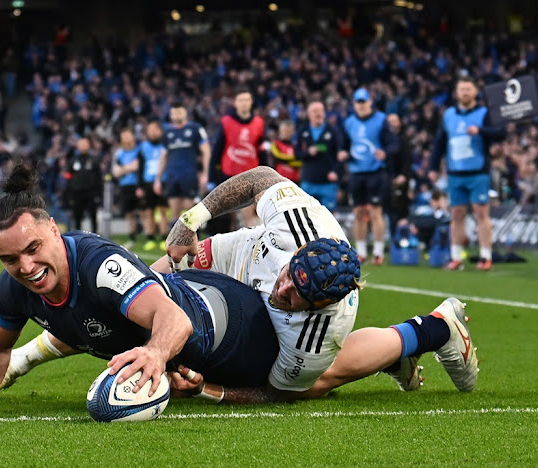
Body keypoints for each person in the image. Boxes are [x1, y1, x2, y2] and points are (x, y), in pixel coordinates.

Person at [0, 161, 280, 413]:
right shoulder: (13, 287)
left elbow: (175, 320)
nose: (26, 267)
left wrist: (155, 353)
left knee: (298, 383)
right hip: (187, 328)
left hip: (232, 332)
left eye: (33, 249)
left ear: (52, 229)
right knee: (91, 320)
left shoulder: (100, 266)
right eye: (9, 259)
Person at [161, 166, 478, 402]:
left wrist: (210, 391)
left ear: (319, 306)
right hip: (248, 252)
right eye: (289, 278)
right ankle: (409, 346)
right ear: (299, 250)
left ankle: (431, 330)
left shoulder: (317, 330)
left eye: (298, 296)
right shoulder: (295, 221)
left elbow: (275, 392)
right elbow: (260, 178)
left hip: (296, 338)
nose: (282, 291)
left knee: (316, 382)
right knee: (152, 284)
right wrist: (189, 222)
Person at [430, 75, 506, 271]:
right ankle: (456, 257)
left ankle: (485, 256)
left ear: (475, 92)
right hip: (455, 172)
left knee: (481, 213)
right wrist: (432, 167)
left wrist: (480, 131)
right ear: (456, 93)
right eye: (461, 89)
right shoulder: (448, 115)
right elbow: (439, 142)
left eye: (468, 89)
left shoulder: (483, 113)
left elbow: (501, 132)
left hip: (478, 171)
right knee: (456, 214)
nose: (464, 92)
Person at [338, 88, 399, 265]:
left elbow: (394, 143)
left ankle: (378, 252)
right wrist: (343, 154)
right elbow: (344, 145)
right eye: (358, 102)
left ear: (370, 102)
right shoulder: (349, 123)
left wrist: (385, 152)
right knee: (358, 211)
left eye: (364, 102)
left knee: (375, 211)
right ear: (354, 104)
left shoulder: (381, 120)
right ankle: (361, 251)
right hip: (357, 172)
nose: (362, 105)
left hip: (376, 171)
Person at [208, 88, 266, 232]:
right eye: (241, 100)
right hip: (228, 175)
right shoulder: (226, 122)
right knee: (228, 218)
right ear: (235, 103)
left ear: (251, 102)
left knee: (248, 217)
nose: (244, 103)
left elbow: (262, 151)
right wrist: (211, 177)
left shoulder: (259, 123)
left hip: (251, 176)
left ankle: (248, 248)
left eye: (247, 100)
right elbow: (216, 151)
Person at [154, 102, 210, 223]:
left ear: (185, 112)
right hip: (172, 176)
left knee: (189, 207)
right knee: (174, 208)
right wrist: (158, 178)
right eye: (173, 113)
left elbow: (206, 151)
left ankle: (191, 238)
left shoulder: (195, 129)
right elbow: (163, 156)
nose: (176, 115)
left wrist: (205, 173)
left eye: (179, 112)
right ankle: (176, 239)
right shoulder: (167, 132)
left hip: (189, 175)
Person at [294, 100, 343, 212]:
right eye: (315, 111)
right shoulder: (302, 131)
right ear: (309, 114)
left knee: (329, 216)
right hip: (308, 181)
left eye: (321, 111)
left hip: (328, 182)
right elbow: (296, 154)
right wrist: (307, 152)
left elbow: (340, 155)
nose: (318, 114)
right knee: (307, 215)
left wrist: (335, 171)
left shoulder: (333, 131)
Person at [137, 121, 168, 251]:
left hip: (164, 181)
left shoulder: (165, 146)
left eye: (155, 129)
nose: (153, 132)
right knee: (149, 211)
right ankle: (150, 238)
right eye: (150, 130)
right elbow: (140, 167)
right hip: (147, 183)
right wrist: (139, 186)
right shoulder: (143, 147)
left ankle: (163, 238)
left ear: (160, 131)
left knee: (163, 211)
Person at [65, 137, 103, 233]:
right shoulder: (73, 160)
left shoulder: (94, 160)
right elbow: (68, 177)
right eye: (81, 144)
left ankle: (95, 235)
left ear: (89, 145)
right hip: (77, 193)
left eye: (85, 144)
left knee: (93, 216)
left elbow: (99, 178)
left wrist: (99, 194)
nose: (83, 146)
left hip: (91, 193)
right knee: (77, 216)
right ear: (77, 146)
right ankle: (78, 236)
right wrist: (69, 194)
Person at [111, 128, 141, 248]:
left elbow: (138, 166)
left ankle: (152, 236)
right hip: (125, 185)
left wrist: (123, 169)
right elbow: (116, 172)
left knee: (145, 211)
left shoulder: (140, 150)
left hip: (139, 184)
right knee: (129, 213)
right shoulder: (119, 153)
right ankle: (133, 237)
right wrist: (130, 168)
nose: (127, 138)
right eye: (124, 136)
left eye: (128, 135)